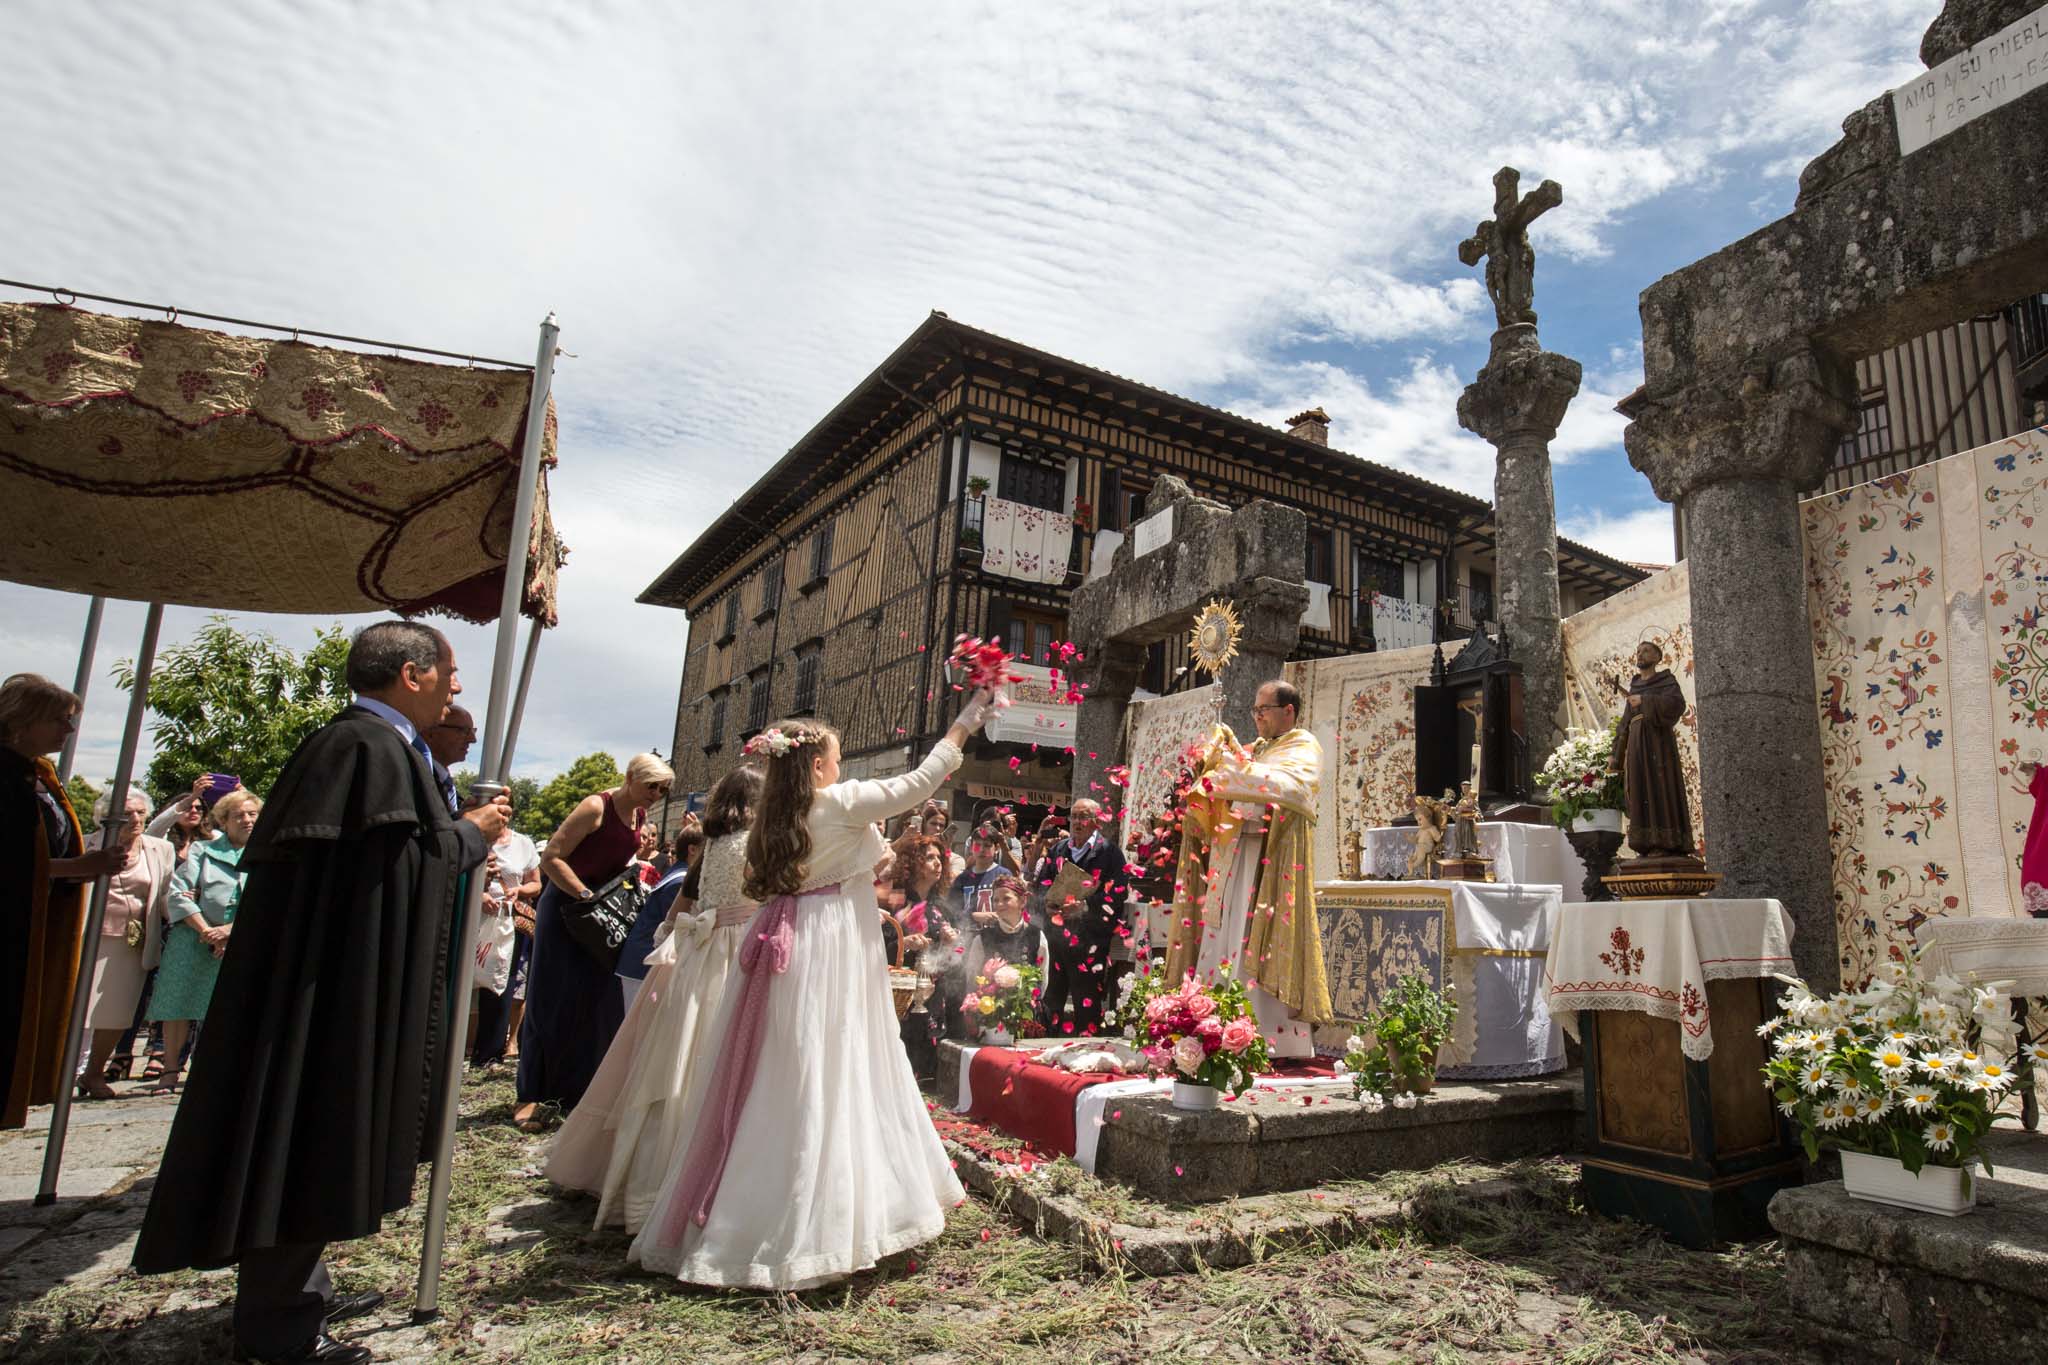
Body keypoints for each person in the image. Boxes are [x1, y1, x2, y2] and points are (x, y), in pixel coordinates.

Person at [133, 620, 510, 1365]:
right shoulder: (365, 748)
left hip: (331, 983)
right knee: (306, 1133)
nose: (458, 686)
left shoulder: (369, 747)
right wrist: (470, 833)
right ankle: (280, 1326)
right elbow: (401, 869)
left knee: (311, 1137)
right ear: (411, 674)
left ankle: (297, 1289)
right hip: (329, 996)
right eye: (450, 672)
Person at [629, 692, 997, 1289]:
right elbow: (921, 782)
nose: (842, 767)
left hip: (782, 939)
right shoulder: (838, 803)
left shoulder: (772, 818)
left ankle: (750, 1205)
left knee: (781, 1067)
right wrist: (962, 724)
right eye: (837, 758)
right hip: (828, 943)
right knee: (833, 1062)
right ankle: (816, 1225)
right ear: (819, 765)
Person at [546, 765, 762, 1234]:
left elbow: (681, 906)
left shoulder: (711, 847)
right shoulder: (754, 845)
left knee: (676, 1059)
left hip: (699, 957)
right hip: (732, 955)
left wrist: (672, 944)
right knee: (716, 1057)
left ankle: (647, 1179)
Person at [1161, 679, 1333, 1058]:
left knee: (1253, 940)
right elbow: (1235, 782)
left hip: (1267, 862)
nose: (1257, 717)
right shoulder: (1255, 749)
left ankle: (1268, 1037)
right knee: (1223, 939)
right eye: (1255, 710)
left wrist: (1230, 768)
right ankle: (1213, 1026)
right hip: (1234, 855)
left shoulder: (1303, 746)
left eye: (1263, 710)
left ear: (1288, 710)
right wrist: (1216, 759)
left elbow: (1291, 788)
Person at [516, 753, 674, 1132]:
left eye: (663, 790)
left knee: (596, 1001)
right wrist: (585, 894)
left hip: (601, 917)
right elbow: (552, 857)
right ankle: (530, 1093)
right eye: (652, 785)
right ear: (631, 777)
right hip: (566, 911)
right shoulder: (595, 807)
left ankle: (577, 1092)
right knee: (549, 999)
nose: (656, 794)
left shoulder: (639, 817)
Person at [2, 674, 126, 1129]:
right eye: (59, 720)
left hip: (38, 919)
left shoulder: (39, 776)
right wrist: (75, 867)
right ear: (23, 720)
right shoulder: (6, 776)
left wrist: (78, 868)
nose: (69, 730)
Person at [146, 788, 263, 1095]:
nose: (247, 820)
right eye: (239, 815)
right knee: (178, 1003)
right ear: (224, 821)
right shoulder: (202, 849)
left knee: (230, 1008)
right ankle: (170, 1070)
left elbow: (268, 901)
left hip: (244, 938)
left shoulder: (267, 854)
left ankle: (216, 1072)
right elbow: (179, 892)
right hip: (193, 936)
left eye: (253, 814)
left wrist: (229, 931)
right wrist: (206, 930)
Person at [77, 790, 177, 1100]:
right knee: (75, 1008)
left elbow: (163, 895)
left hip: (132, 941)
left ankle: (94, 1073)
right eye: (126, 814)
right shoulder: (87, 844)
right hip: (86, 937)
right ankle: (61, 1072)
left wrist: (184, 914)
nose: (135, 819)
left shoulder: (160, 849)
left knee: (118, 1012)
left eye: (140, 813)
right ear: (106, 818)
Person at [1034, 797, 1128, 1035]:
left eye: (1083, 817)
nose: (1077, 822)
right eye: (1074, 816)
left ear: (1097, 822)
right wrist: (1047, 904)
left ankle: (1086, 1047)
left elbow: (1118, 893)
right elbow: (1042, 883)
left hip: (1089, 940)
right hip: (1057, 937)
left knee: (1086, 1003)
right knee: (1052, 999)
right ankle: (1046, 1044)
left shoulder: (1109, 853)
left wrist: (1085, 906)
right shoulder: (1058, 849)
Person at [1608, 640, 1695, 860]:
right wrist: (1615, 755)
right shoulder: (1635, 685)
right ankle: (1645, 844)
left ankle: (1665, 842)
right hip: (1637, 746)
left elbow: (1676, 705)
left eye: (1646, 651)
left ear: (1657, 657)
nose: (1640, 654)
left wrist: (1645, 701)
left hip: (1658, 744)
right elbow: (1625, 723)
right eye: (1638, 651)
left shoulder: (1666, 681)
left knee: (1660, 787)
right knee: (1639, 789)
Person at [470, 816, 542, 1067]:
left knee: (500, 983)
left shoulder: (523, 844)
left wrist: (518, 891)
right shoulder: (471, 839)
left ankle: (489, 1054)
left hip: (506, 925)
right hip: (471, 919)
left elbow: (535, 884)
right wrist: (478, 894)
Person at [615, 819, 703, 1010]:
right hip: (642, 966)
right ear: (692, 850)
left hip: (640, 963)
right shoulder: (680, 882)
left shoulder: (677, 873)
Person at [961, 873, 1045, 985]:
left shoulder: (1036, 935)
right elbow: (972, 979)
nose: (1000, 904)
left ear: (1022, 901)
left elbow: (1043, 977)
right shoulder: (982, 938)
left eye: (1006, 898)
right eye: (996, 900)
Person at [421, 704, 475, 814]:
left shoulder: (447, 788)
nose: (472, 739)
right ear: (431, 731)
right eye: (463, 730)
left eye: (473, 731)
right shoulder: (416, 779)